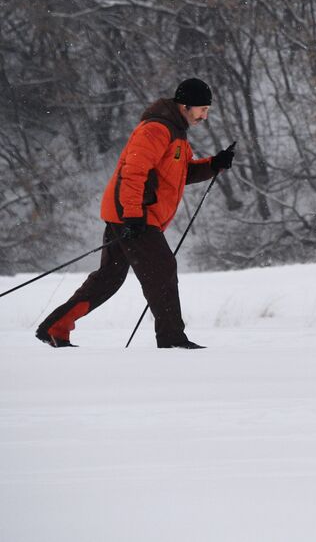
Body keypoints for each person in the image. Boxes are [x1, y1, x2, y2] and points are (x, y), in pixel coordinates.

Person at [35, 78, 236, 349]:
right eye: (202, 109)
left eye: (207, 110)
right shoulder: (155, 129)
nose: (205, 115)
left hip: (132, 214)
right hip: (134, 214)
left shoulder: (176, 133)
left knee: (109, 278)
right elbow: (133, 172)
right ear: (185, 106)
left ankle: (55, 328)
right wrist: (133, 215)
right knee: (163, 268)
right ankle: (172, 338)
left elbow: (181, 173)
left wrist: (214, 164)